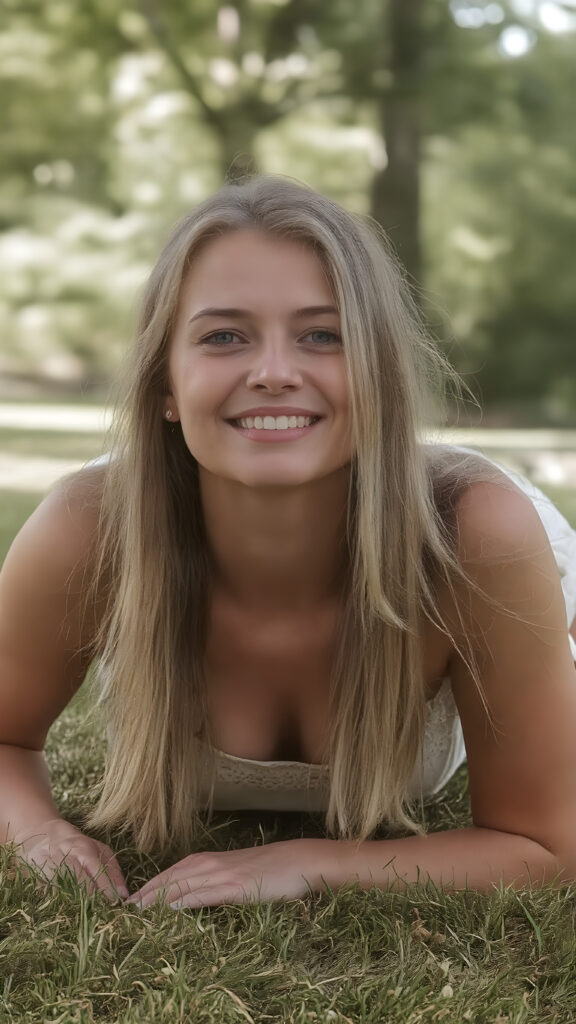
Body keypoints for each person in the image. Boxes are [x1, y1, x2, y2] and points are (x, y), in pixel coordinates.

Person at [1, 175, 576, 911]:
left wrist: (307, 862)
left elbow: (546, 845)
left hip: (488, 562)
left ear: (380, 379)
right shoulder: (90, 531)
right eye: (223, 337)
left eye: (322, 335)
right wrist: (36, 830)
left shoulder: (479, 539)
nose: (273, 372)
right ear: (165, 386)